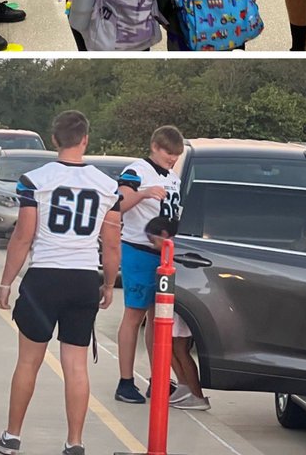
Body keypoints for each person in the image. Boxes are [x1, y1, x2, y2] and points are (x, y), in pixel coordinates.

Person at [0, 110, 122, 455]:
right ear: (85, 140)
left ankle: (13, 436)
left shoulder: (36, 180)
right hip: (83, 278)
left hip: (44, 279)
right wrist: (108, 284)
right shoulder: (107, 186)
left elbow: (23, 236)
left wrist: (6, 282)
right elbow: (111, 244)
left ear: (53, 140)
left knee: (28, 362)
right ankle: (74, 442)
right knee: (76, 365)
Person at [113, 125, 184, 404]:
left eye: (176, 155)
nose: (172, 159)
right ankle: (125, 381)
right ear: (155, 147)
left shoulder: (174, 177)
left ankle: (159, 378)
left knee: (160, 317)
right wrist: (143, 194)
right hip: (139, 250)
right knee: (134, 314)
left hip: (164, 254)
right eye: (168, 153)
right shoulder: (137, 171)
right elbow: (119, 203)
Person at [144, 215, 210, 409]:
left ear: (164, 235)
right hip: (175, 305)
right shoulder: (172, 249)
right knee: (171, 348)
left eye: (152, 240)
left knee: (180, 349)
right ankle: (184, 385)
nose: (152, 245)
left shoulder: (174, 251)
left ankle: (197, 395)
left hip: (178, 306)